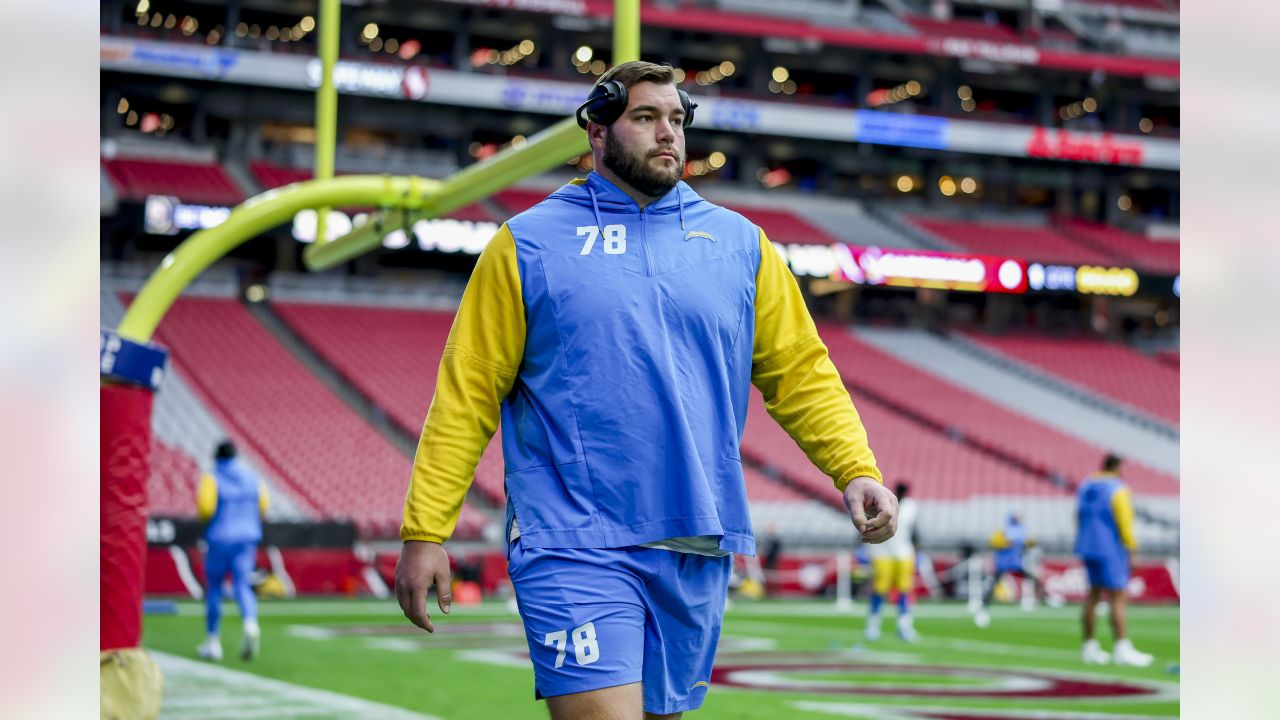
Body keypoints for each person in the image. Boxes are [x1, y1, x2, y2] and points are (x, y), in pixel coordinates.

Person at [395, 60, 896, 719]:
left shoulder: (741, 245)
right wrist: (425, 531)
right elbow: (466, 395)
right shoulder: (526, 245)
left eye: (678, 120)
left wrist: (854, 468)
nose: (669, 133)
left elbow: (801, 373)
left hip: (696, 542)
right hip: (572, 538)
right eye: (646, 117)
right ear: (597, 130)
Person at [1075, 453, 1153, 667]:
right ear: (1117, 467)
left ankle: (1088, 647)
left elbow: (1078, 515)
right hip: (1110, 547)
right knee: (1118, 596)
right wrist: (1132, 549)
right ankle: (1122, 648)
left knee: (1093, 595)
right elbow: (1124, 522)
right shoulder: (1118, 489)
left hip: (1087, 545)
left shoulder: (1086, 486)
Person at [196, 440, 269, 662]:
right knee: (242, 584)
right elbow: (264, 505)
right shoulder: (252, 476)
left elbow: (205, 507)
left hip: (220, 538)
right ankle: (250, 623)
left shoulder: (212, 476)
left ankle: (213, 641)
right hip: (246, 539)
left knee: (215, 588)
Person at [864, 482, 919, 642]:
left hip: (903, 553)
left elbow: (914, 531)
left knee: (904, 590)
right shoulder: (884, 502)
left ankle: (904, 625)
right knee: (879, 589)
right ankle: (873, 625)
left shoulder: (911, 507)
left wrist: (917, 549)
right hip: (882, 552)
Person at [974, 513, 1046, 624]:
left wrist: (1028, 544)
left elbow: (1027, 544)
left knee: (1032, 579)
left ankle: (1043, 598)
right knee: (993, 584)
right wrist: (1006, 543)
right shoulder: (1003, 531)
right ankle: (983, 604)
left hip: (1015, 564)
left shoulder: (1020, 532)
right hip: (1003, 564)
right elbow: (993, 543)